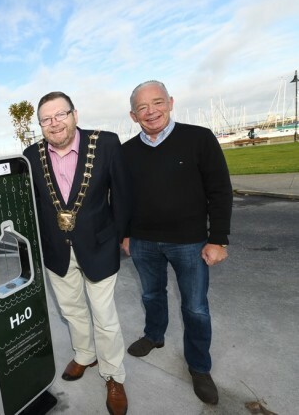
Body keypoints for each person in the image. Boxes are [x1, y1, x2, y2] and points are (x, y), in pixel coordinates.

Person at [122, 80, 233, 405]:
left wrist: (218, 239)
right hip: (143, 243)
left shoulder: (199, 138)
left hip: (190, 242)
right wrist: (126, 235)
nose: (151, 111)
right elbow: (122, 198)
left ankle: (199, 367)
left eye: (157, 102)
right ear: (133, 115)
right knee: (150, 294)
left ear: (170, 102)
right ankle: (155, 335)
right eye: (142, 107)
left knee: (195, 307)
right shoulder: (126, 152)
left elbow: (220, 190)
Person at [23, 92, 131, 415]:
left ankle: (113, 375)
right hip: (57, 251)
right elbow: (33, 205)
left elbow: (123, 194)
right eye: (46, 118)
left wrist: (123, 236)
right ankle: (85, 354)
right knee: (71, 311)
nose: (54, 123)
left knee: (104, 316)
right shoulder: (30, 155)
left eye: (61, 114)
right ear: (40, 125)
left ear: (75, 115)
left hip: (99, 245)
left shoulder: (107, 143)